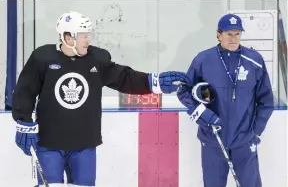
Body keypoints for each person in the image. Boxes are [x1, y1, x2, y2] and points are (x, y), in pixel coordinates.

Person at [12, 11, 191, 187]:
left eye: (88, 34)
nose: (88, 39)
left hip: (84, 145)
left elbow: (124, 78)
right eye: (82, 35)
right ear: (67, 37)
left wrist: (153, 82)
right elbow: (24, 91)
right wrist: (24, 123)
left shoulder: (96, 59)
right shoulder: (42, 58)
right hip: (49, 144)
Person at [177, 13, 274, 187]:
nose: (233, 38)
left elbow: (266, 100)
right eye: (229, 34)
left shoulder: (254, 60)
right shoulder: (203, 59)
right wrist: (201, 114)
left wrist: (256, 131)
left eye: (237, 33)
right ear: (218, 34)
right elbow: (184, 90)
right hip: (213, 139)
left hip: (244, 141)